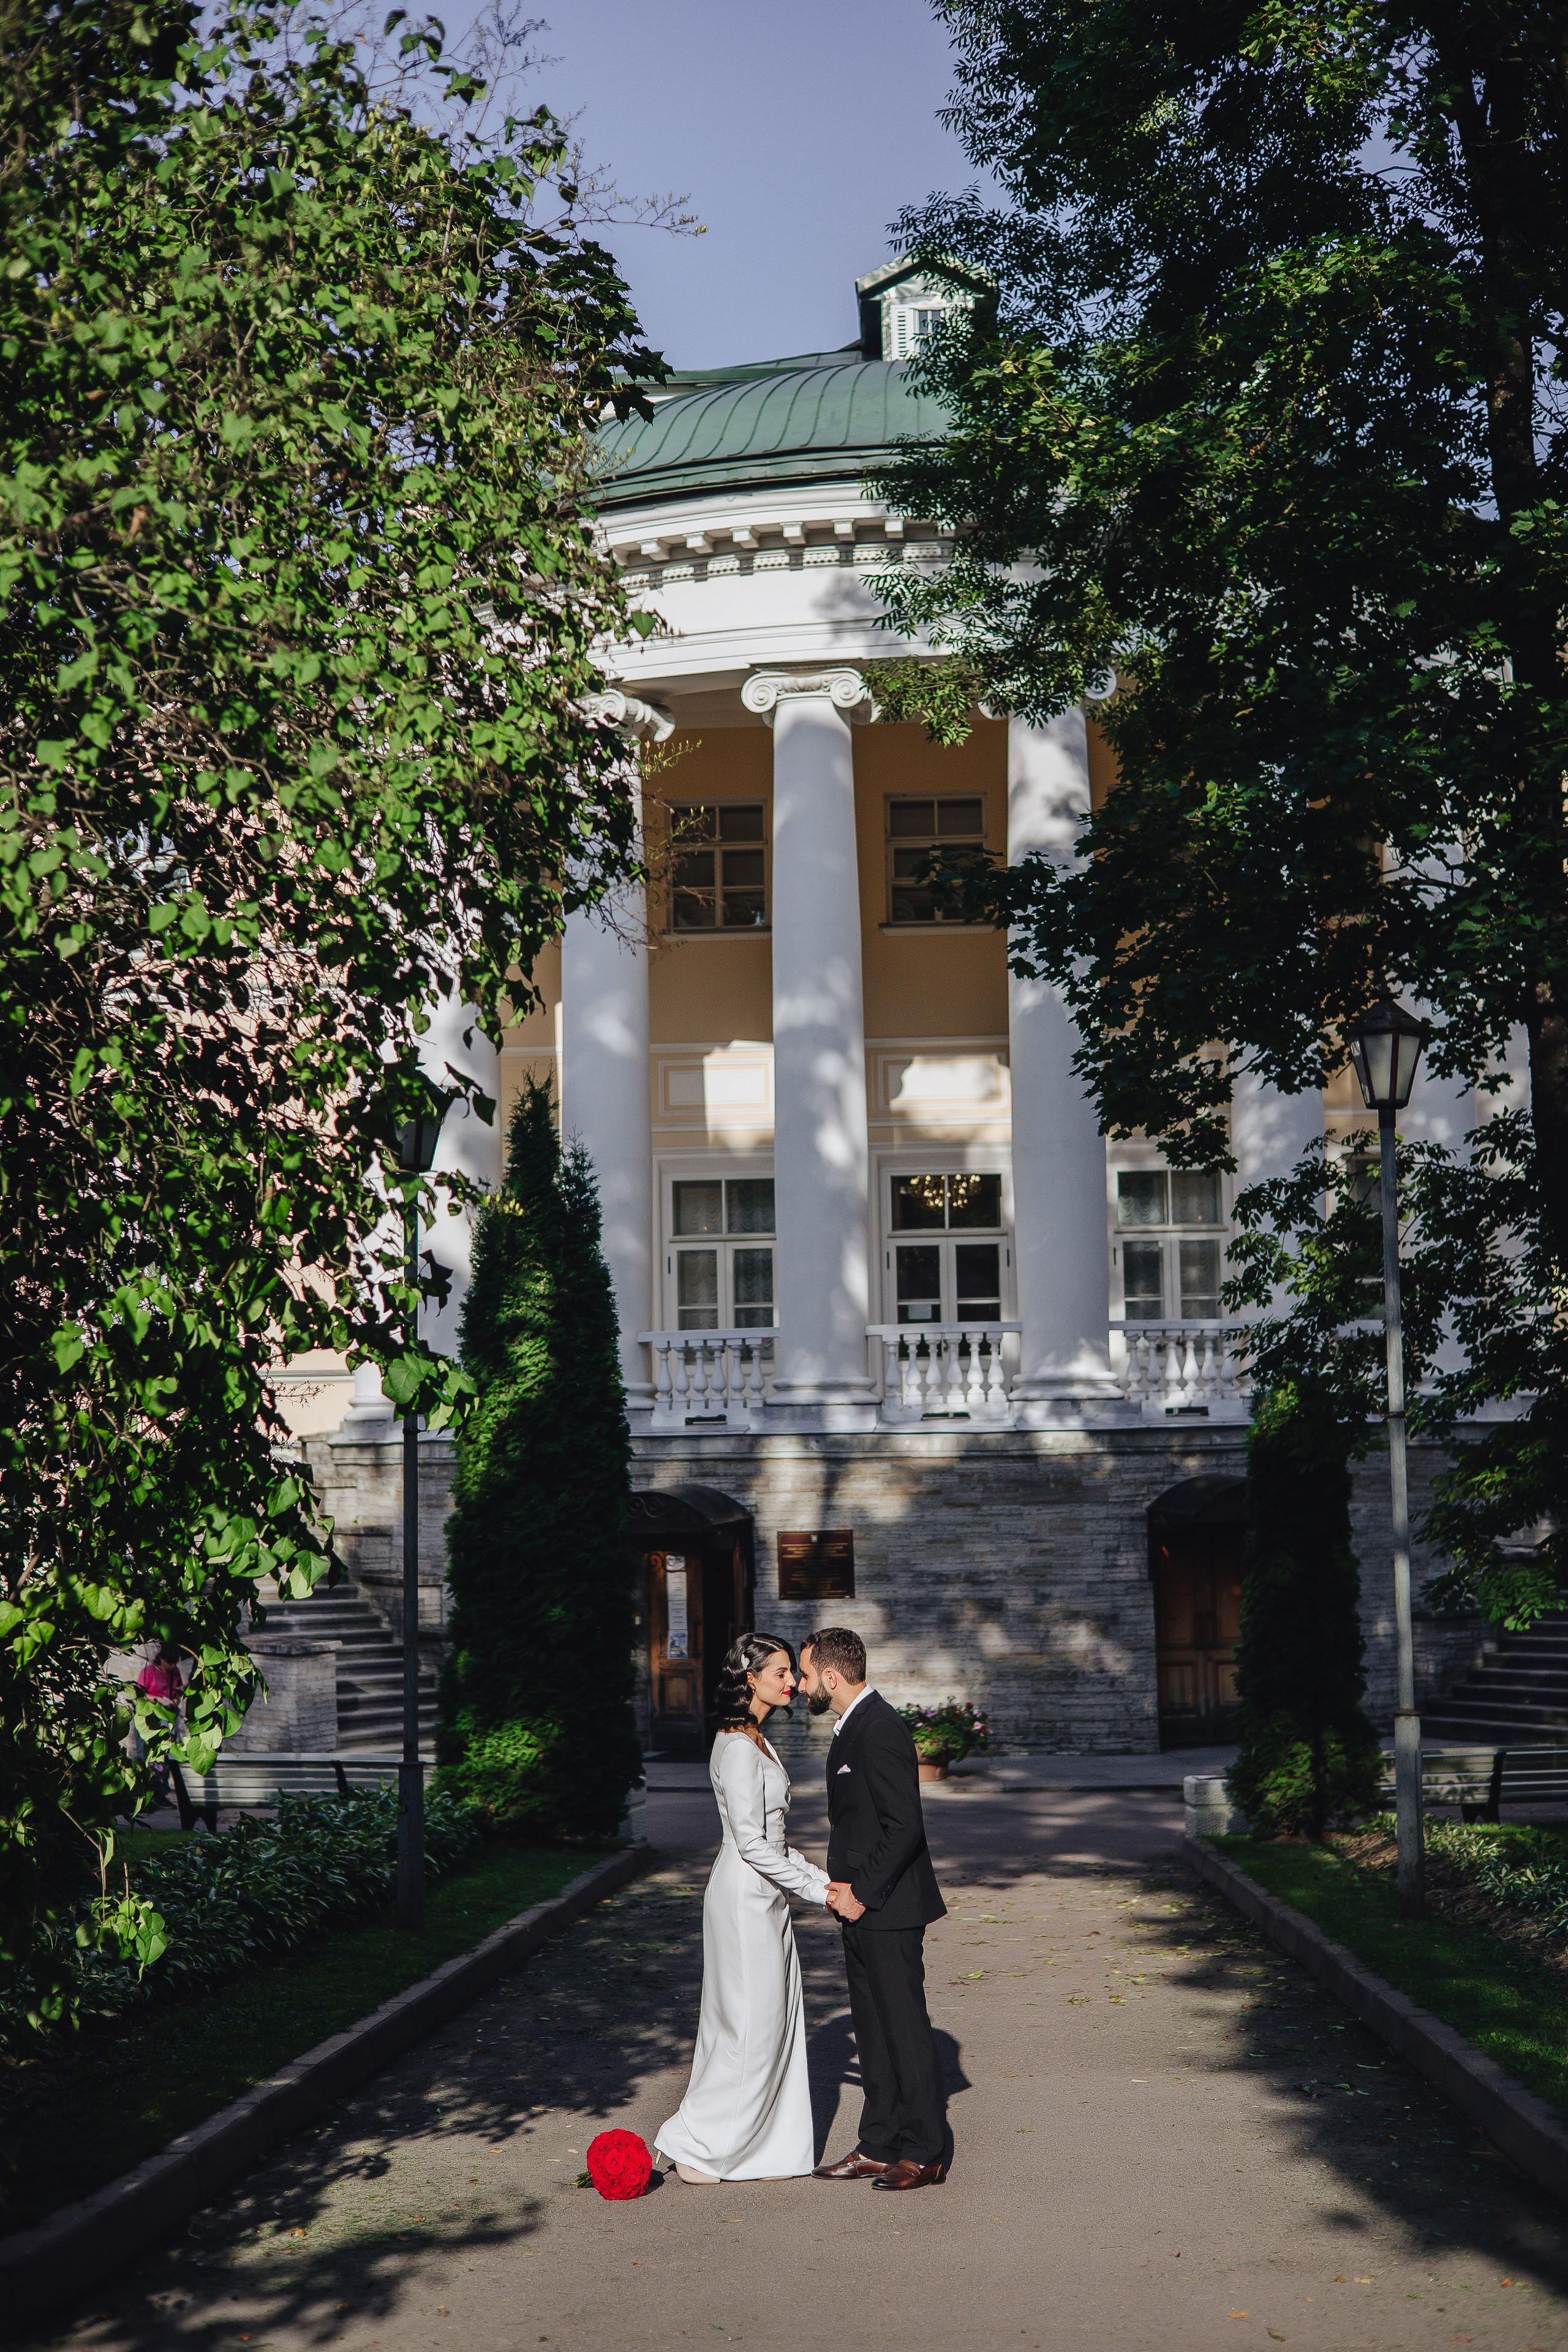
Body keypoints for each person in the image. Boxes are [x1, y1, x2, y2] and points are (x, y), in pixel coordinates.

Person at [654, 1635, 830, 2184]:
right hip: (742, 1898)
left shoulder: (757, 1739)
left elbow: (772, 1842)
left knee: (770, 2022)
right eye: (781, 1673)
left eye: (791, 1674)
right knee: (748, 2026)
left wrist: (822, 1879)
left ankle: (756, 2145)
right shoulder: (734, 1745)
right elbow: (752, 1845)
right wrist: (819, 1891)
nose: (793, 1683)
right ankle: (703, 2147)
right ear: (750, 1679)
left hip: (765, 1894)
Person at [797, 1626, 949, 2191]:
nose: (801, 1687)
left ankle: (927, 2151)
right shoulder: (851, 1726)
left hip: (886, 1905)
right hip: (858, 1905)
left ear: (831, 1677)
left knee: (903, 2028)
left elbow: (904, 1825)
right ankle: (881, 2143)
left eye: (808, 1676)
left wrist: (862, 1893)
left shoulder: (880, 1727)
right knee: (873, 2030)